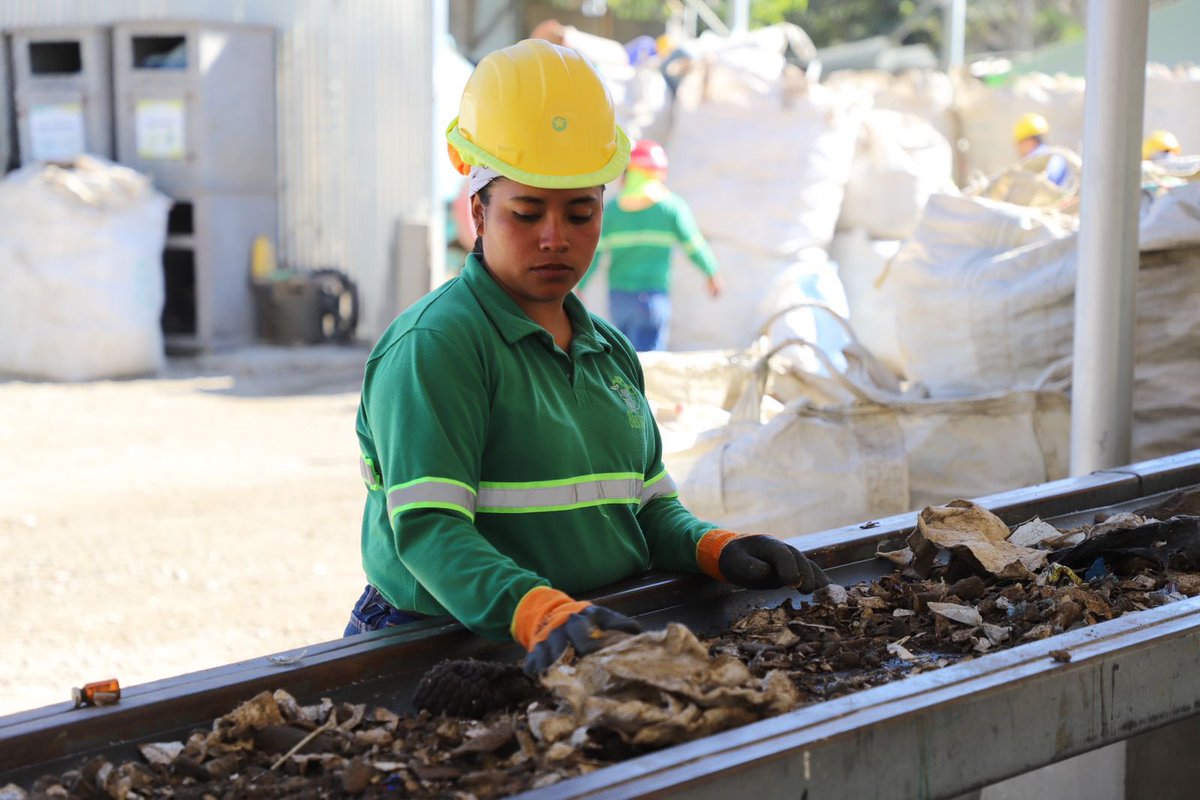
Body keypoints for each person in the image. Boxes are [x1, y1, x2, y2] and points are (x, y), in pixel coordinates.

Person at [345, 38, 828, 676]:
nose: (555, 238)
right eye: (526, 213)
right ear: (479, 212)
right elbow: (430, 531)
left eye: (580, 213)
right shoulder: (438, 346)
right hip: (439, 641)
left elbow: (647, 510)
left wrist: (714, 547)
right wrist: (536, 612)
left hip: (581, 624)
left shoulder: (610, 352)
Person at [578, 139, 722, 352]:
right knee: (648, 362)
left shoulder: (612, 211)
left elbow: (594, 253)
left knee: (624, 358)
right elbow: (693, 245)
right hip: (652, 300)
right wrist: (711, 273)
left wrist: (580, 285)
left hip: (618, 299)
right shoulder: (671, 208)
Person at [1012, 112, 1070, 187]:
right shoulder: (1057, 157)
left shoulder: (1034, 162)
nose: (1018, 149)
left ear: (1029, 141)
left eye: (1019, 143)